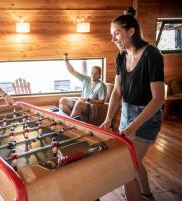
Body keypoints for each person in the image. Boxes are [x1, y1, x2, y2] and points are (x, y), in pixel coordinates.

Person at [100, 8, 164, 201]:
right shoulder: (120, 57)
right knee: (133, 161)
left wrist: (132, 127)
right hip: (127, 113)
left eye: (117, 33)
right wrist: (108, 119)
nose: (113, 39)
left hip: (147, 116)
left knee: (125, 165)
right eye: (112, 35)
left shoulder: (152, 55)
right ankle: (147, 193)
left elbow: (158, 99)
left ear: (131, 31)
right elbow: (117, 91)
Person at [59, 53, 107, 119]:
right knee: (63, 100)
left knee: (79, 103)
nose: (93, 75)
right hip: (81, 101)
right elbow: (72, 71)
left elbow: (102, 101)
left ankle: (71, 121)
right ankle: (73, 119)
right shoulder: (86, 79)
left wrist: (88, 99)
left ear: (99, 75)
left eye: (95, 73)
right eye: (92, 73)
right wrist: (66, 60)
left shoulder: (101, 85)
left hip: (89, 106)